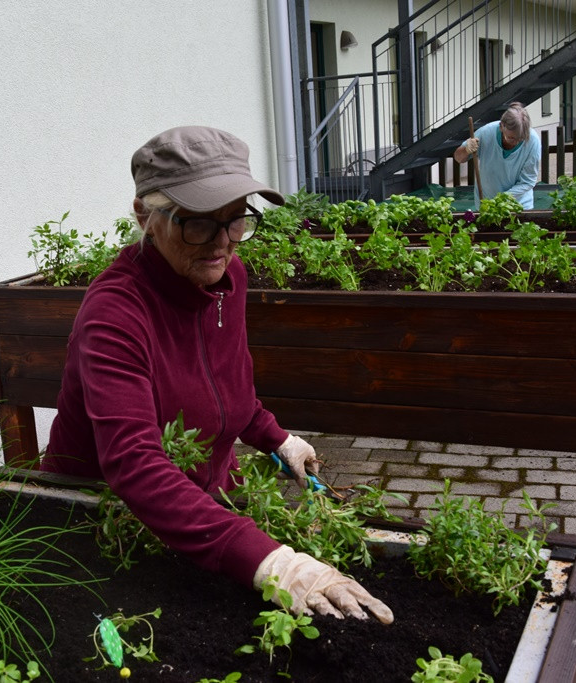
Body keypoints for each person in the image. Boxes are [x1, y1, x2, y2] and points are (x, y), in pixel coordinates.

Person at [41, 125, 393, 624]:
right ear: (144, 216)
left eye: (235, 221)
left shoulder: (228, 278)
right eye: (199, 224)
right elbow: (134, 464)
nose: (222, 244)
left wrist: (276, 438)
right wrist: (272, 562)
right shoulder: (115, 313)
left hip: (205, 509)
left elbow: (229, 387)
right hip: (105, 525)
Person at [453, 102, 541, 210]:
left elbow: (527, 181)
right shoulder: (486, 133)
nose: (516, 142)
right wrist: (466, 149)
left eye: (521, 138)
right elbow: (458, 158)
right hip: (487, 204)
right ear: (501, 126)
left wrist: (500, 199)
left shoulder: (532, 141)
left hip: (519, 205)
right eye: (511, 138)